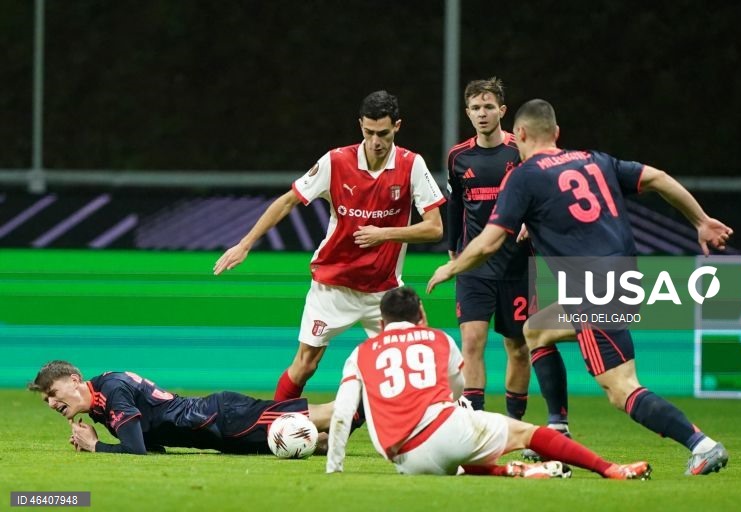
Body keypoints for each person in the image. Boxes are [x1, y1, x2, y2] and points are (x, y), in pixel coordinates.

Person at [427, 99, 732, 476]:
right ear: (556, 133)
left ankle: (701, 444)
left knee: (621, 389)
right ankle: (557, 426)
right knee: (536, 329)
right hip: (623, 278)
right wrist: (700, 221)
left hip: (594, 290)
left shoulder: (525, 175)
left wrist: (453, 266)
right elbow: (658, 178)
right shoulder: (595, 160)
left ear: (518, 134)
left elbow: (489, 242)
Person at [213, 90, 445, 401]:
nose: (376, 141)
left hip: (383, 289)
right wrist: (245, 244)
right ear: (360, 125)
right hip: (332, 285)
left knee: (418, 354)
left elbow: (435, 228)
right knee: (306, 365)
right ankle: (272, 426)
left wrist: (385, 234)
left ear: (398, 127)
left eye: (384, 133)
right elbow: (287, 201)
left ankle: (427, 430)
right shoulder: (336, 162)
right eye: (369, 132)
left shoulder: (411, 164)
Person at [326, 287, 651, 479]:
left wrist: (334, 470)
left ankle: (513, 471)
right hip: (448, 431)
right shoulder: (437, 339)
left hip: (406, 460)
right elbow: (457, 389)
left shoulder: (361, 352)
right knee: (527, 433)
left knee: (455, 459)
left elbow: (342, 412)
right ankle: (609, 469)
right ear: (420, 315)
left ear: (382, 323)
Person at [446, 77, 556, 421]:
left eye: (488, 107)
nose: (482, 113)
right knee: (473, 342)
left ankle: (513, 425)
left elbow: (541, 194)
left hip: (517, 265)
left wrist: (530, 223)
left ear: (502, 111)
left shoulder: (520, 153)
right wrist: (453, 248)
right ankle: (476, 425)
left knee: (518, 348)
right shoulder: (458, 157)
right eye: (476, 108)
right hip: (474, 264)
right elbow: (455, 204)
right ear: (467, 112)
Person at [29, 360, 352, 455]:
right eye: (47, 401)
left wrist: (96, 446)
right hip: (218, 434)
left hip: (224, 417)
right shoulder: (100, 401)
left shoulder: (111, 390)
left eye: (53, 393)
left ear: (74, 380)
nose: (52, 403)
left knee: (331, 412)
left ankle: (378, 399)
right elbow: (155, 447)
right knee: (318, 442)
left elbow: (137, 451)